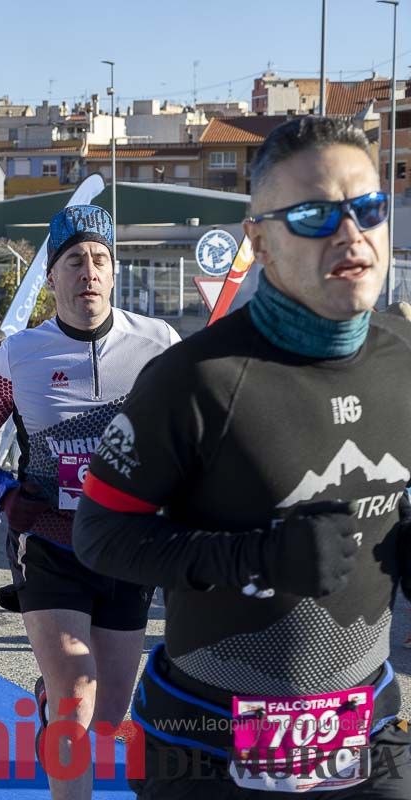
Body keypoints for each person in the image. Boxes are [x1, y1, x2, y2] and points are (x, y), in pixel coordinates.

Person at [73, 117, 411, 796]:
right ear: (258, 240)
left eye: (367, 208)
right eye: (315, 214)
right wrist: (253, 557)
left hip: (367, 737)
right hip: (205, 745)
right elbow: (99, 535)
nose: (351, 234)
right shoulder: (198, 377)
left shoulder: (404, 360)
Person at [0, 204, 180, 800]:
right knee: (79, 704)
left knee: (106, 717)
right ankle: (61, 709)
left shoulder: (159, 345)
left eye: (100, 259)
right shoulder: (17, 355)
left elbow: (185, 438)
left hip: (127, 547)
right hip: (50, 543)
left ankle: (50, 703)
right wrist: (1, 491)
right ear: (51, 277)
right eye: (74, 261)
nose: (89, 272)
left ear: (114, 271)